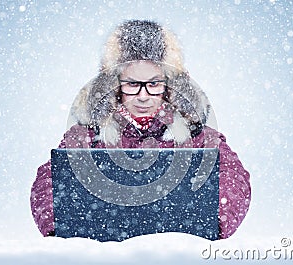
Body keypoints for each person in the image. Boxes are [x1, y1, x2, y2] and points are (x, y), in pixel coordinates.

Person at [30, 20, 251, 239]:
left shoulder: (197, 134)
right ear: (116, 85)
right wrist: (60, 226)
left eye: (153, 83)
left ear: (169, 85)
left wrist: (211, 222)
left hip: (176, 255)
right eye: (133, 84)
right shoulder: (86, 135)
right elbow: (48, 186)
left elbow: (233, 180)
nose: (143, 96)